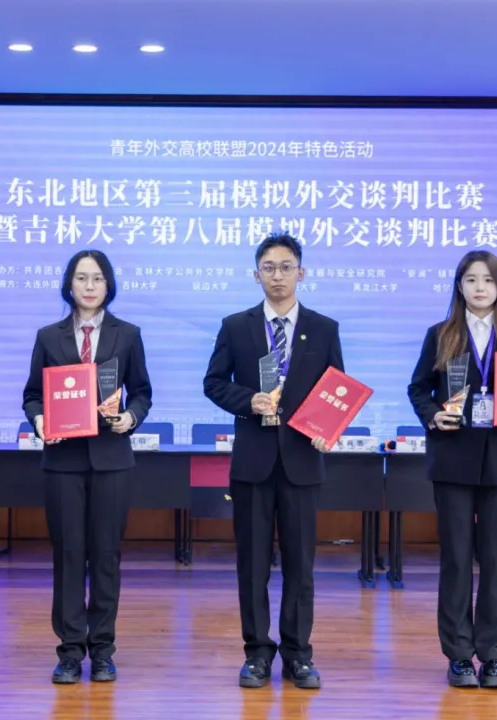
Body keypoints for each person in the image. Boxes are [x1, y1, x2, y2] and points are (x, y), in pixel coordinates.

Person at [203, 232, 343, 691]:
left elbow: (336, 390)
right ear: (256, 274)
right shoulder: (235, 326)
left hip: (302, 462)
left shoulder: (323, 329)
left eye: (286, 267)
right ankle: (257, 654)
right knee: (253, 565)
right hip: (253, 463)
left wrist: (329, 429)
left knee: (301, 566)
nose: (277, 275)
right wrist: (248, 401)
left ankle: (299, 655)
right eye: (268, 267)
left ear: (301, 273)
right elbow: (213, 383)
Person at [406, 249, 497, 690]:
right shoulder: (441, 334)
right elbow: (418, 388)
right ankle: (460, 655)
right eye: (471, 280)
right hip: (452, 459)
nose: (480, 287)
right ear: (459, 286)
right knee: (457, 559)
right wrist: (432, 415)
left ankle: (492, 654)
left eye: (488, 280)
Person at [22, 249, 153, 684]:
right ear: (69, 285)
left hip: (111, 459)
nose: (90, 286)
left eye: (97, 278)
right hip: (63, 461)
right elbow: (32, 395)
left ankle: (102, 651)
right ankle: (68, 651)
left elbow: (142, 392)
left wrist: (131, 417)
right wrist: (40, 421)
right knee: (68, 556)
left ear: (108, 285)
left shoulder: (127, 334)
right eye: (82, 278)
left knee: (106, 557)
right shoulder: (49, 336)